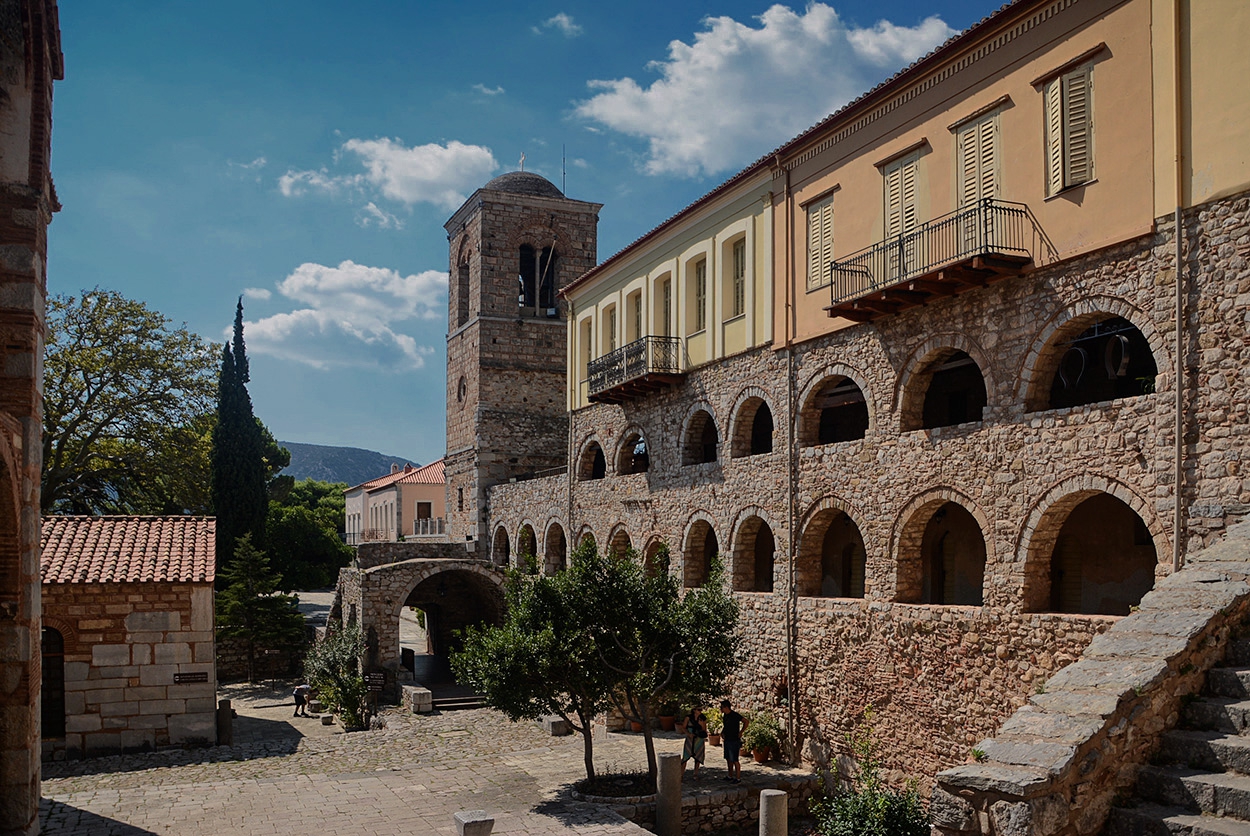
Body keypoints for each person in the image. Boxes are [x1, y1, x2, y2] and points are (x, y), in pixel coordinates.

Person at [720, 699, 748, 782]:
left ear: (726, 707)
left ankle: (738, 778)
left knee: (735, 759)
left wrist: (741, 732)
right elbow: (726, 726)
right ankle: (730, 775)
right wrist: (722, 732)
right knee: (728, 758)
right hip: (727, 739)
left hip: (734, 739)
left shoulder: (735, 715)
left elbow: (746, 721)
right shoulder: (725, 716)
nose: (721, 709)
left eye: (722, 707)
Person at [678, 705, 708, 780]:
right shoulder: (688, 718)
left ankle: (695, 774)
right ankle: (681, 774)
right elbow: (683, 728)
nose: (700, 711)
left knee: (698, 757)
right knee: (685, 756)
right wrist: (688, 734)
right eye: (698, 710)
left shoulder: (703, 718)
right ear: (694, 710)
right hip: (690, 739)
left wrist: (701, 725)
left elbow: (704, 730)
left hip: (699, 740)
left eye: (701, 710)